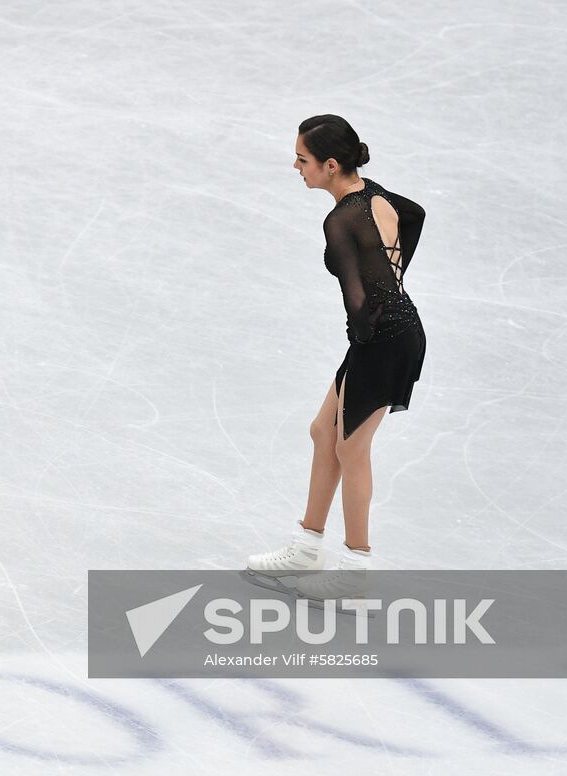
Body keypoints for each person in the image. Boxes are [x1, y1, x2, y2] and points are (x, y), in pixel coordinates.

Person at [247, 115, 427, 592]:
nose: (295, 166)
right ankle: (307, 547)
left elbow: (360, 306)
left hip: (382, 340)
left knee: (351, 447)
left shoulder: (341, 219)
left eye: (302, 160)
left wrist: (370, 329)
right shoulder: (374, 193)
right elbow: (415, 215)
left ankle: (356, 574)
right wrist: (393, 272)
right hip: (394, 332)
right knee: (322, 432)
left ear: (329, 165)